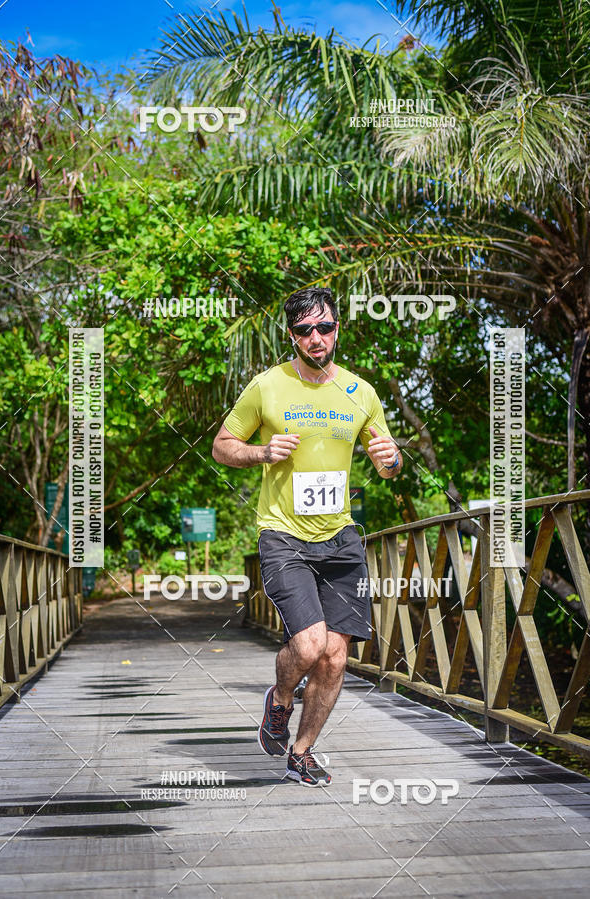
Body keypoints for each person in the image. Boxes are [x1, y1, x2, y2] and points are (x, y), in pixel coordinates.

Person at [212, 286, 402, 786]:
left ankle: (302, 751)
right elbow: (222, 445)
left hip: (341, 538)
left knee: (336, 655)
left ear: (338, 328)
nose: (316, 338)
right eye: (304, 330)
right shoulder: (267, 386)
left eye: (325, 327)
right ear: (292, 335)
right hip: (284, 535)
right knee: (311, 643)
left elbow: (388, 461)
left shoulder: (361, 392)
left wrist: (390, 461)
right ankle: (279, 700)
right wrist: (261, 452)